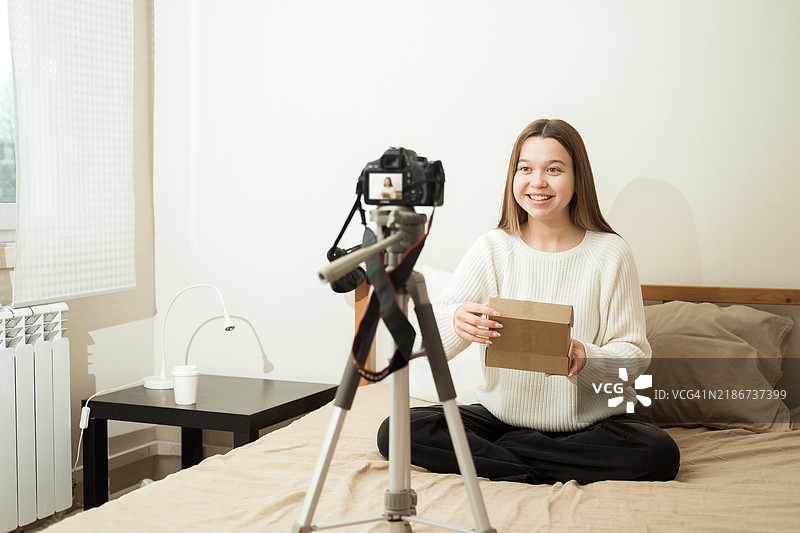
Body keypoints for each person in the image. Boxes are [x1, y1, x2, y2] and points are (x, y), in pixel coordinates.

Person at [377, 118, 680, 485]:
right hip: (497, 417)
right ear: (513, 177)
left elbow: (634, 355)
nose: (538, 182)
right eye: (526, 169)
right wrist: (457, 320)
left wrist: (588, 358)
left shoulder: (610, 253)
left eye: (554, 169)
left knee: (658, 453)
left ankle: (507, 459)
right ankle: (537, 460)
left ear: (577, 178)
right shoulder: (494, 247)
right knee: (396, 430)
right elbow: (425, 339)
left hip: (589, 424)